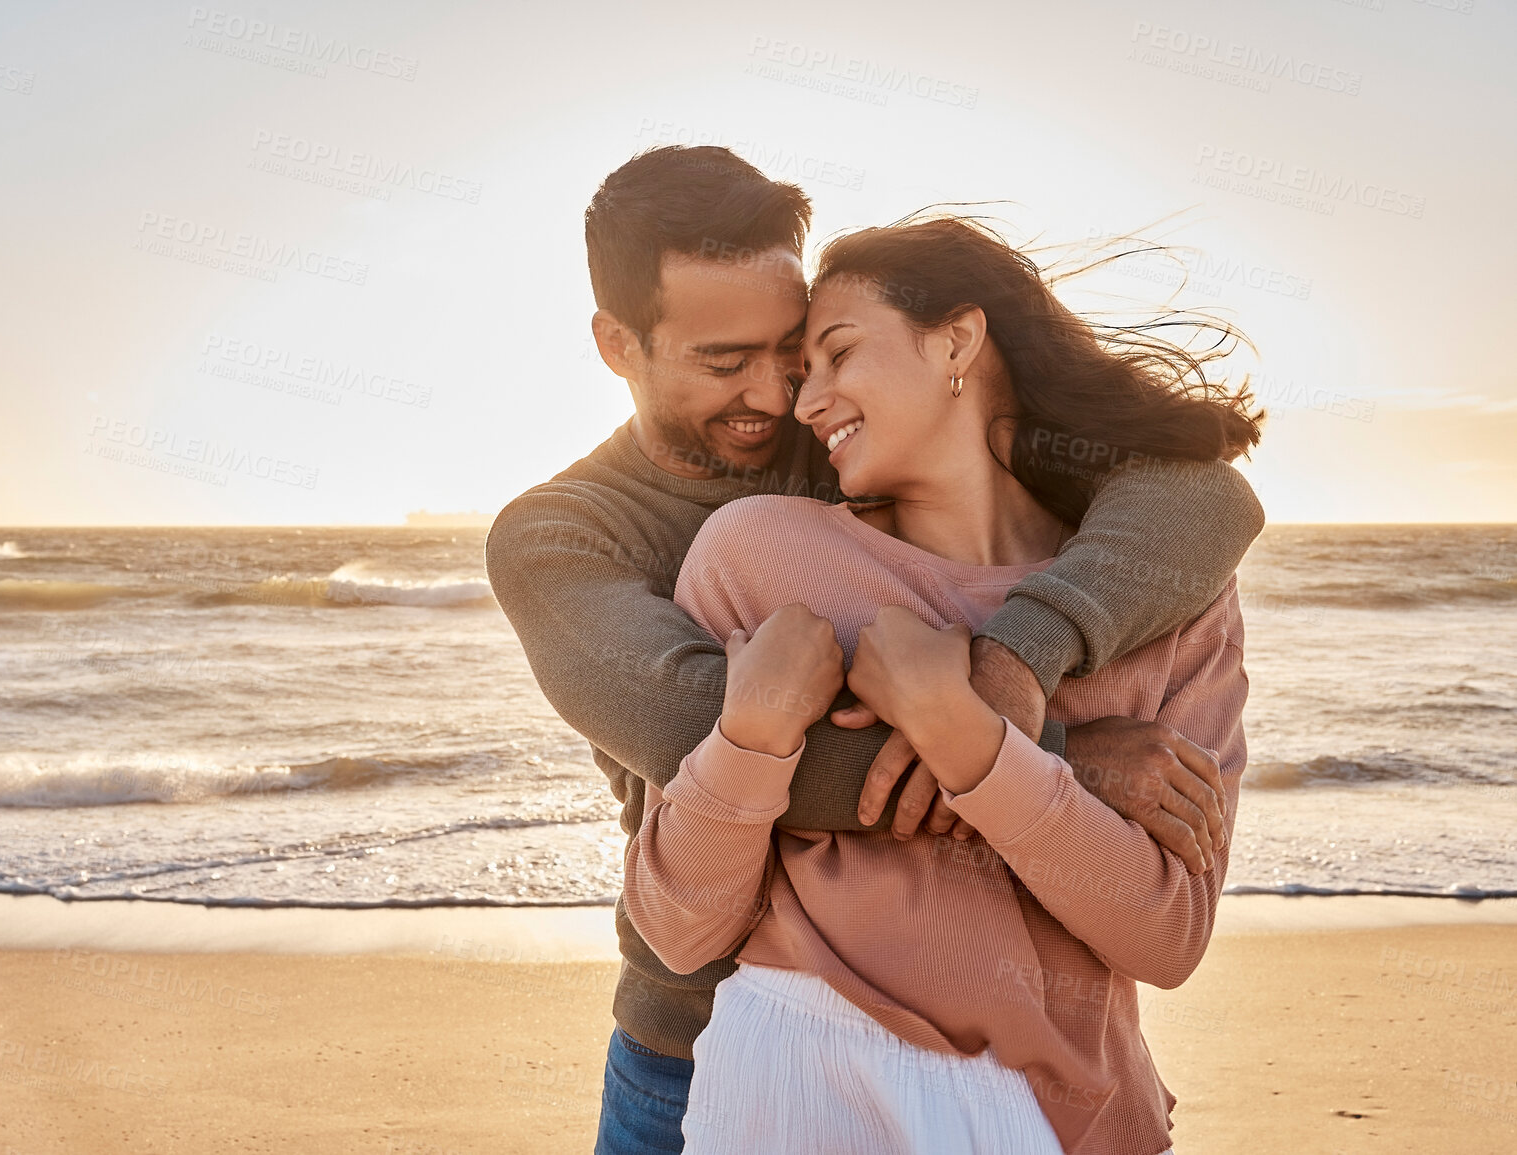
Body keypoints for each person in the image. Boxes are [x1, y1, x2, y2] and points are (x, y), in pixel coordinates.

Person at [484, 146, 1264, 1155]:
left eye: (795, 349)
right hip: (695, 1044)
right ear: (616, 344)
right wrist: (1058, 766)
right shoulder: (564, 535)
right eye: (724, 362)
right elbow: (695, 732)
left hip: (1004, 1048)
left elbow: (1195, 493)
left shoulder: (856, 431)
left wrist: (1016, 664)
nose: (775, 395)